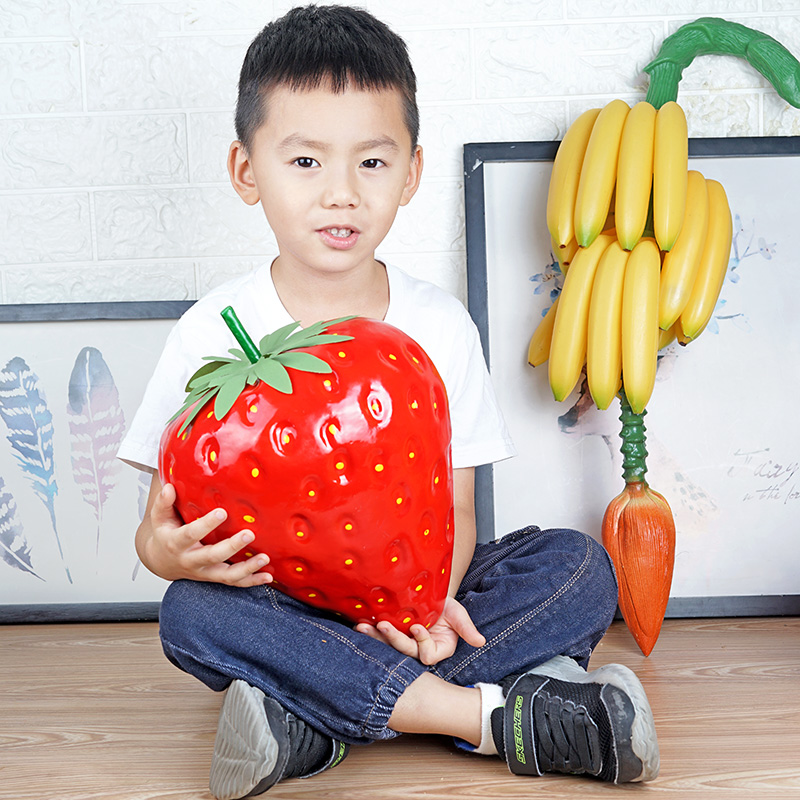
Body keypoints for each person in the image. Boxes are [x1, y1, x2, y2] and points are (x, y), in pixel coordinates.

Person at [118, 6, 659, 798]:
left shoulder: (438, 325)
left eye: (371, 164)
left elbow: (458, 508)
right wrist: (166, 554)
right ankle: (494, 718)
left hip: (418, 593)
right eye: (305, 163)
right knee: (191, 615)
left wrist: (427, 604)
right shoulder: (210, 334)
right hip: (286, 604)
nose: (340, 194)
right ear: (245, 170)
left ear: (410, 172)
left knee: (578, 566)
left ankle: (308, 719)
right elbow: (158, 527)